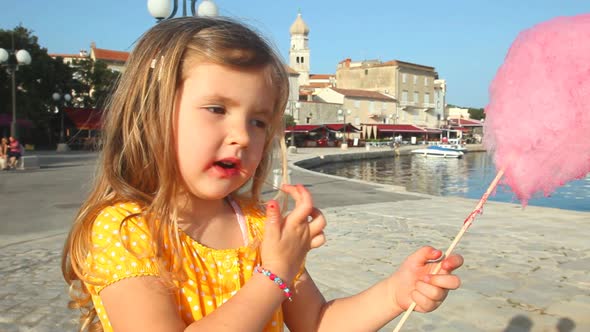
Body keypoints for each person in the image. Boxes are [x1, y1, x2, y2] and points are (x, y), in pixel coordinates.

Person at [61, 17, 463, 332]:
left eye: (258, 121)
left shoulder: (257, 227)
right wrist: (274, 275)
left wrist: (395, 293)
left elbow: (318, 323)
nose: (241, 136)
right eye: (217, 109)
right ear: (151, 115)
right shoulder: (125, 229)